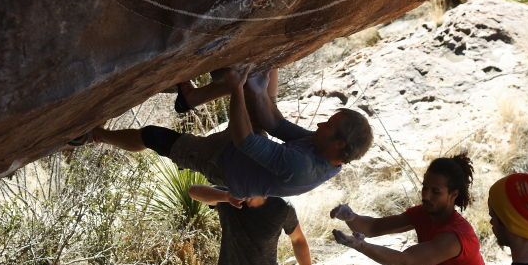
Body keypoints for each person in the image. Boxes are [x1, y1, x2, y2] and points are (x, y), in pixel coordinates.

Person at [72, 66, 373, 198]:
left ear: (339, 145)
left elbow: (245, 141)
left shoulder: (303, 167)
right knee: (255, 90)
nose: (319, 125)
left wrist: (237, 91)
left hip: (223, 164)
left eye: (327, 127)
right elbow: (275, 124)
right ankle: (192, 98)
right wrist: (251, 87)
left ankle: (94, 135)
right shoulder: (324, 148)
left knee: (154, 136)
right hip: (247, 153)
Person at [330, 153, 489, 265]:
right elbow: (373, 227)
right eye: (425, 187)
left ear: (453, 195)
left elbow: (403, 261)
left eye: (435, 191)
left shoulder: (455, 237)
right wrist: (350, 216)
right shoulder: (424, 214)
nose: (426, 196)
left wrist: (360, 245)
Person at [189, 184, 315, 265]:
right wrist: (226, 197)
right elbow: (193, 191)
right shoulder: (227, 198)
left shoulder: (282, 207)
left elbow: (298, 240)